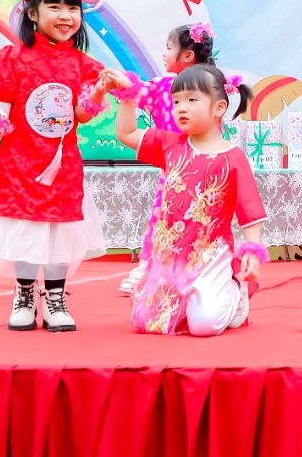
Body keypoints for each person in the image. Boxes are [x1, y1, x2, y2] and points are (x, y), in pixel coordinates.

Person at [0, 0, 107, 332]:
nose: (66, 16)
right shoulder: (13, 59)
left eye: (73, 8)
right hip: (19, 163)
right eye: (55, 7)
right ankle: (25, 295)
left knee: (59, 230)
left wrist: (98, 90)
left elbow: (82, 115)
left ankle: (56, 300)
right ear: (32, 12)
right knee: (26, 230)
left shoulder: (83, 65)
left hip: (62, 166)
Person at [103, 63, 267, 335]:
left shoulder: (233, 157)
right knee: (145, 322)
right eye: (177, 101)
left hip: (209, 252)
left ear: (219, 108)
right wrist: (129, 94)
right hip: (169, 254)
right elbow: (126, 133)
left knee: (205, 327)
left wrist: (252, 250)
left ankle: (236, 288)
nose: (181, 107)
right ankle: (189, 298)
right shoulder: (169, 144)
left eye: (192, 100)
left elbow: (250, 211)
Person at [117, 21, 222, 296]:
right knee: (162, 216)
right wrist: (119, 84)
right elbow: (134, 91)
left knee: (201, 220)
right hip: (172, 168)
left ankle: (197, 270)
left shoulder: (211, 87)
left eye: (168, 48)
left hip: (204, 167)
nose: (164, 54)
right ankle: (148, 268)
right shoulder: (160, 87)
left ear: (187, 55)